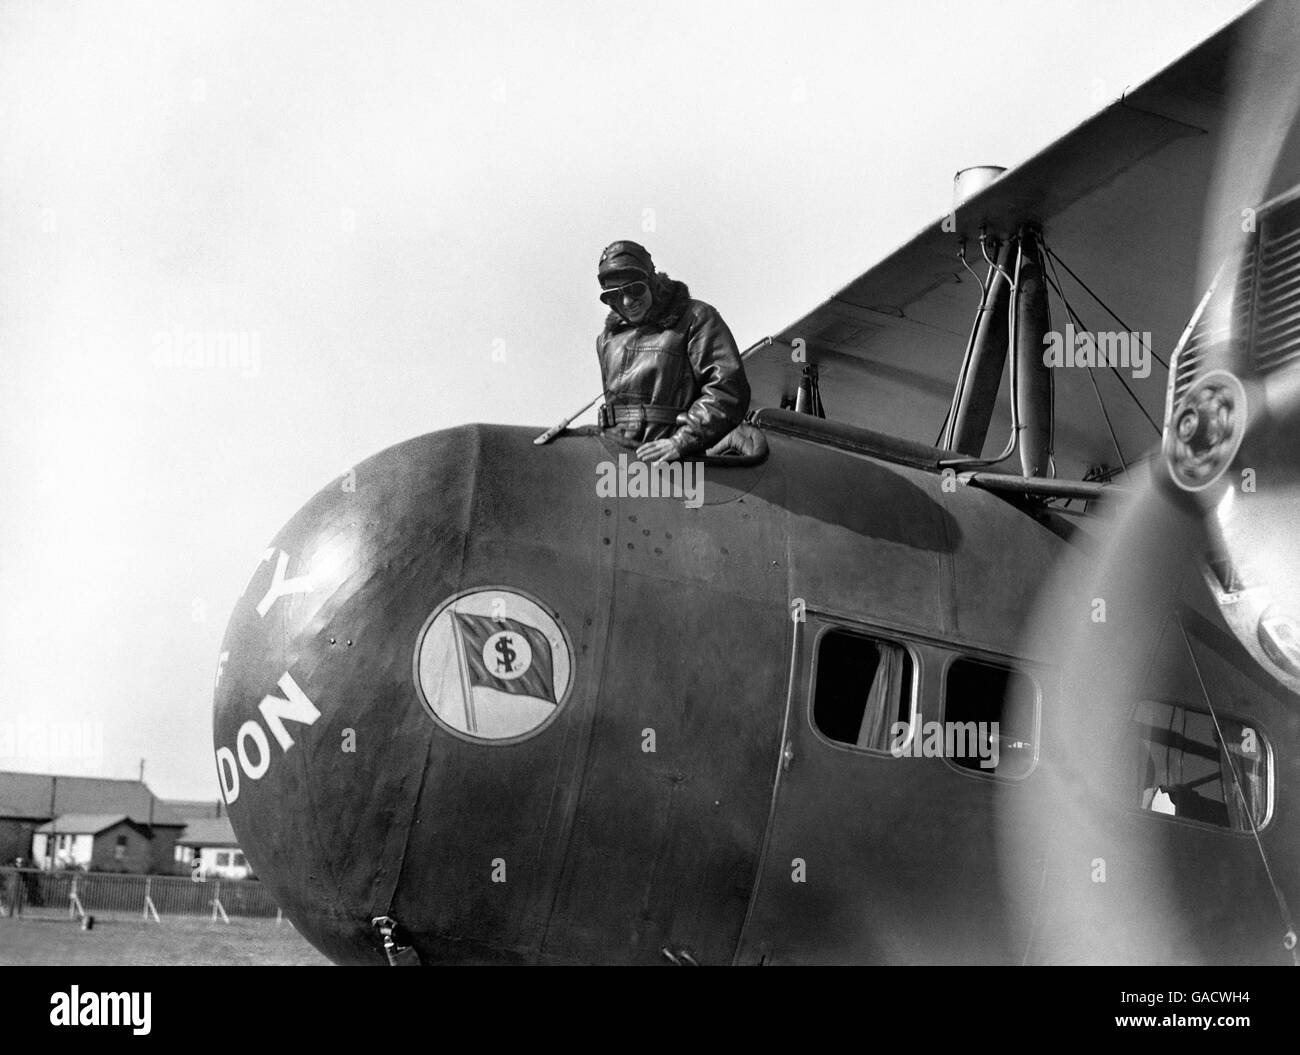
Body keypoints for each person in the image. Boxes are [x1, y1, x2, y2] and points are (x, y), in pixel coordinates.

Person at [595, 240, 750, 463]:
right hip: (621, 464)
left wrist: (682, 442)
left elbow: (727, 390)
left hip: (674, 469)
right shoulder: (607, 340)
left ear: (652, 281)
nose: (627, 301)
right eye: (613, 296)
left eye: (635, 289)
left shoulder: (695, 318)